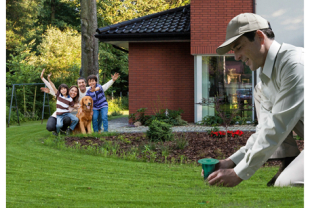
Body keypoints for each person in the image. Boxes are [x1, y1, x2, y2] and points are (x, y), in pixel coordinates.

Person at [202, 13, 304, 187]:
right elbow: (265, 129)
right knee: (258, 91)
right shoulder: (264, 85)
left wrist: (239, 173)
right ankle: (289, 160)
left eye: (239, 47)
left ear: (259, 37)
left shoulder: (295, 65)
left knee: (286, 184)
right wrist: (231, 161)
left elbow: (278, 125)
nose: (237, 57)